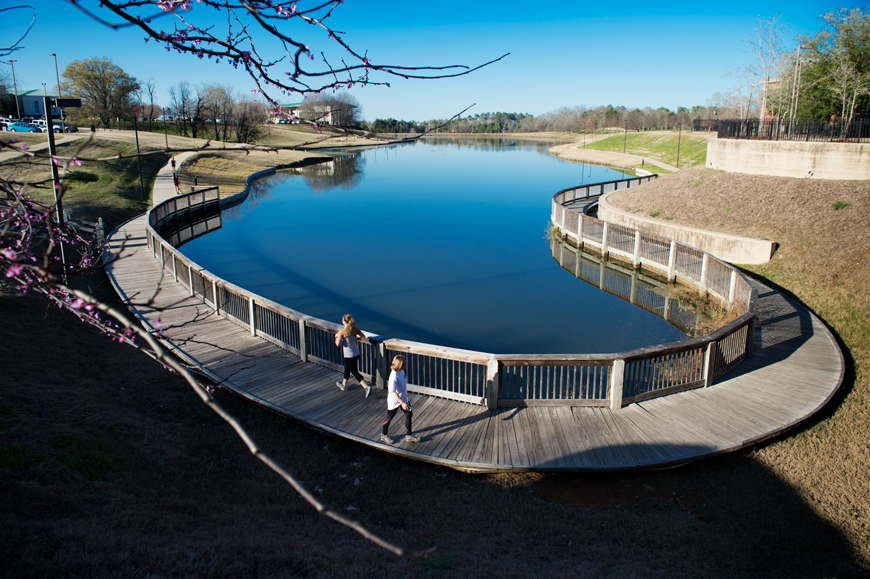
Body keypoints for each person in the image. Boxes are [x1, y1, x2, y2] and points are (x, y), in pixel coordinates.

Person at [380, 355, 420, 445]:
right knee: (390, 417)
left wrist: (404, 401)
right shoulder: (394, 376)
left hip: (404, 399)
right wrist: (401, 403)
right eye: (404, 364)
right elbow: (392, 391)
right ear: (399, 365)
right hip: (395, 401)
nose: (405, 365)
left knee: (409, 413)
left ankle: (409, 435)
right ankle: (384, 435)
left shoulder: (401, 371)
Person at [334, 314, 372, 397]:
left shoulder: (342, 332)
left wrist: (336, 336)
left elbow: (337, 344)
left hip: (348, 356)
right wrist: (355, 338)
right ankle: (343, 384)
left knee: (354, 372)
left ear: (344, 322)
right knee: (347, 368)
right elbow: (363, 337)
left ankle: (366, 387)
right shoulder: (355, 330)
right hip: (356, 353)